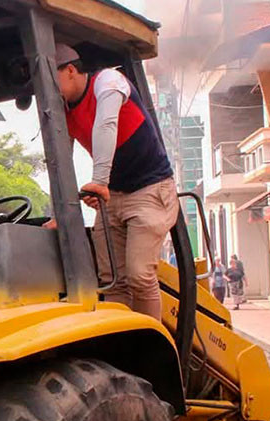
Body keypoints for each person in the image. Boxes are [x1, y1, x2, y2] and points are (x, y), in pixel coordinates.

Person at [43, 44, 178, 321]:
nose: (46, 89)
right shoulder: (64, 110)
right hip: (113, 194)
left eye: (50, 78)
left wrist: (99, 182)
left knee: (139, 275)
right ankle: (123, 351)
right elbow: (61, 159)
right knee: (111, 281)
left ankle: (152, 353)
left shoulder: (108, 82)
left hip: (150, 189)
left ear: (70, 70)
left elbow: (107, 125)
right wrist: (60, 212)